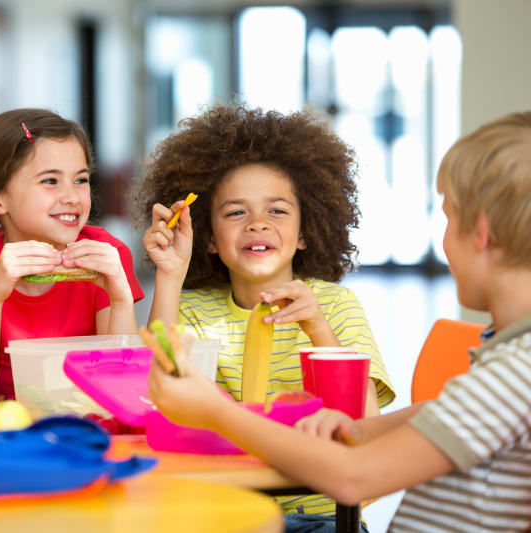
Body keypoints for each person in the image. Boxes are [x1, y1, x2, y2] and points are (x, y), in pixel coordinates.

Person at [149, 111, 531, 532]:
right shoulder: (507, 360)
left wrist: (216, 412)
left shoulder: (517, 370)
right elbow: (435, 414)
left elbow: (354, 478)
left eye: (447, 218)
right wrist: (360, 431)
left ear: (479, 233)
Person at [134, 103, 394, 528]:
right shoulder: (193, 309)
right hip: (225, 513)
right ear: (210, 239)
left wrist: (319, 331)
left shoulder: (335, 307)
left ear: (307, 232)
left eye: (277, 210)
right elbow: (156, 392)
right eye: (236, 212)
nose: (257, 223)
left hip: (322, 516)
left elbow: (367, 426)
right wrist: (169, 275)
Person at [0, 109, 143, 408]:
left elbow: (123, 392)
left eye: (80, 180)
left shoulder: (107, 254)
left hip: (87, 428)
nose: (72, 196)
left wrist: (120, 298)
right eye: (50, 181)